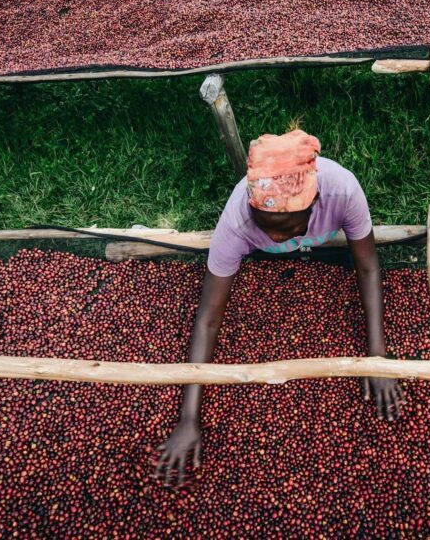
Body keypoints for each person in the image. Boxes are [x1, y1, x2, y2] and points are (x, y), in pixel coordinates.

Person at [153, 130, 403, 487]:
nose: (274, 238)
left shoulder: (342, 191)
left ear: (315, 205)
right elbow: (208, 317)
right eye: (266, 228)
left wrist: (376, 356)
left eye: (286, 230)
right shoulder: (237, 222)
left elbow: (367, 266)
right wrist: (188, 418)